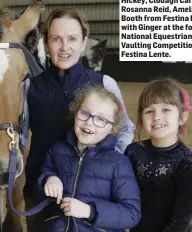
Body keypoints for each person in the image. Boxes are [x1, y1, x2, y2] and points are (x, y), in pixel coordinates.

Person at [24, 8, 135, 231]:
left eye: (72, 39)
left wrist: (104, 166)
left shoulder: (104, 84)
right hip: (43, 191)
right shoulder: (30, 87)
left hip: (92, 195)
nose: (65, 47)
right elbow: (19, 137)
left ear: (84, 42)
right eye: (56, 39)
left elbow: (124, 130)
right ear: (46, 44)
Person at [36, 84, 141, 232]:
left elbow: (131, 214)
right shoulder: (56, 151)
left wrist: (89, 211)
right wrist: (49, 178)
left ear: (113, 128)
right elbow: (43, 177)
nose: (89, 122)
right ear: (75, 113)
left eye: (101, 119)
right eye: (85, 113)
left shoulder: (119, 163)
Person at [124, 78, 192, 232]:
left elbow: (181, 221)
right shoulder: (132, 152)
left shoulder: (189, 164)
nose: (156, 117)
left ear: (182, 117)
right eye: (149, 111)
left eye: (165, 110)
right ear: (141, 117)